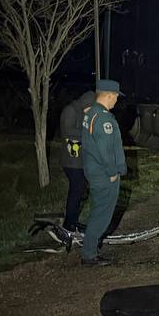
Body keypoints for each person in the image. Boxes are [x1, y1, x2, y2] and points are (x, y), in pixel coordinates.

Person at [79, 79, 127, 267]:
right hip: (104, 174)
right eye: (115, 97)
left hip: (93, 171)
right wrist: (112, 172)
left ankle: (91, 249)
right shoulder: (104, 119)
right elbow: (105, 151)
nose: (116, 100)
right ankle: (89, 254)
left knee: (98, 211)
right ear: (108, 95)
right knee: (102, 215)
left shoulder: (91, 113)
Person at [58, 88, 96, 231]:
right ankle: (69, 224)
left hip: (78, 159)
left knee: (79, 190)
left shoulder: (81, 112)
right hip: (70, 160)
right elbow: (67, 131)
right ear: (86, 103)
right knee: (77, 189)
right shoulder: (70, 111)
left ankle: (72, 221)